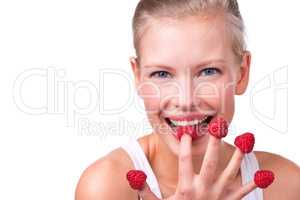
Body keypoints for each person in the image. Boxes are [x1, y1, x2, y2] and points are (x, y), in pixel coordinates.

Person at [75, 0, 300, 199]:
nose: (185, 100)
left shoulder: (285, 185)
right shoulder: (106, 187)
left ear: (242, 73)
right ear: (138, 77)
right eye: (161, 74)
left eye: (209, 71)